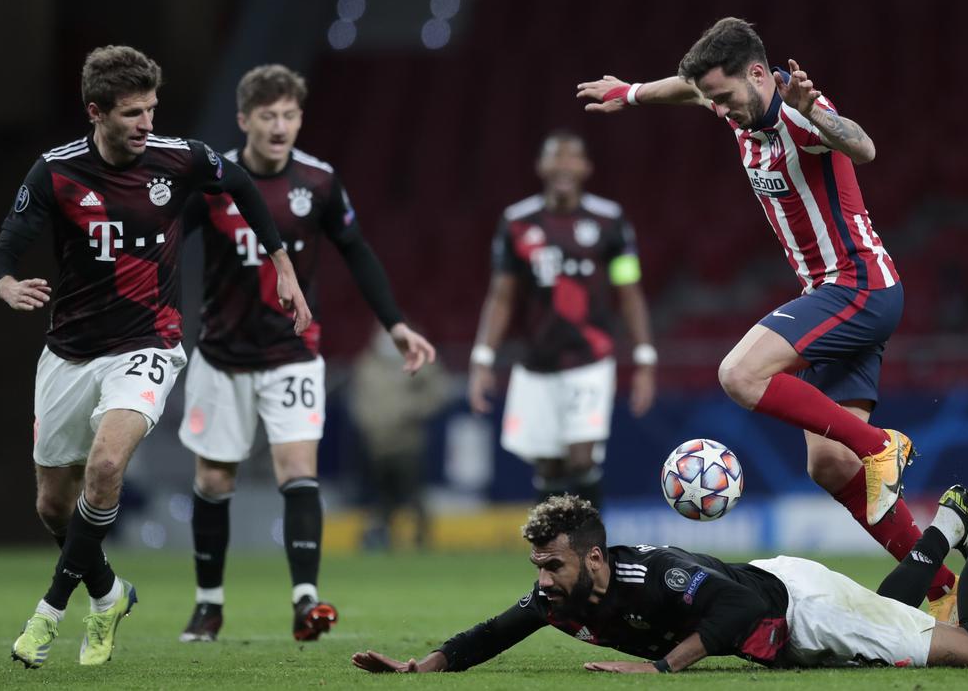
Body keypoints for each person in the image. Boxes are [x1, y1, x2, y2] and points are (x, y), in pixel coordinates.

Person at [576, 17, 961, 618]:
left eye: (727, 96)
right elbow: (687, 88)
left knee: (739, 374)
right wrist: (630, 94)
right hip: (835, 292)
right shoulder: (737, 103)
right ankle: (939, 585)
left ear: (759, 75)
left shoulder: (799, 113)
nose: (722, 110)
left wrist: (822, 117)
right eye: (715, 99)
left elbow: (862, 147)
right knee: (829, 465)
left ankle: (882, 445)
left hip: (857, 284)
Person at [0, 46, 310, 668]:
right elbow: (2, 253)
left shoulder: (179, 159)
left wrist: (283, 268)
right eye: (133, 113)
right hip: (70, 353)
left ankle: (49, 612)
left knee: (106, 465)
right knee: (53, 503)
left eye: (152, 109)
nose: (146, 123)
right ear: (96, 112)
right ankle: (108, 593)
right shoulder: (54, 173)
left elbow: (240, 182)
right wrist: (4, 285)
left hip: (148, 343)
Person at [352, 452, 968, 674]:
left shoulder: (659, 574)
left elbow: (742, 613)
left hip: (794, 606)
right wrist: (424, 668)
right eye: (539, 567)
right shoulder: (560, 599)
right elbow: (495, 631)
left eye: (552, 567)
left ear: (595, 560)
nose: (541, 582)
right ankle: (950, 521)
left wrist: (662, 668)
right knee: (882, 618)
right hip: (789, 598)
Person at [176, 64, 435, 643]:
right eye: (267, 116)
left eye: (289, 115)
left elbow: (356, 251)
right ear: (244, 119)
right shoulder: (212, 180)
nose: (279, 126)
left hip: (293, 353)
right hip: (221, 356)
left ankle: (305, 602)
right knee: (215, 479)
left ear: (300, 118)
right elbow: (166, 244)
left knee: (299, 470)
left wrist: (394, 325)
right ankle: (209, 605)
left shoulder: (318, 182)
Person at [468, 130, 656, 509]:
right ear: (541, 166)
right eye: (556, 157)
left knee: (582, 459)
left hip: (590, 357)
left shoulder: (609, 221)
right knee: (549, 466)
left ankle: (593, 558)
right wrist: (482, 359)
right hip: (536, 360)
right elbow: (501, 296)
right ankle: (551, 561)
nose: (564, 165)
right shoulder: (517, 222)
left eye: (573, 157)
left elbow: (628, 290)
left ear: (586, 167)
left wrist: (645, 360)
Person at [349, 324, 452, 549]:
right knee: (381, 499)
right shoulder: (367, 366)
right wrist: (370, 424)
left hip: (408, 444)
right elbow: (359, 403)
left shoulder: (414, 359)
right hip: (377, 446)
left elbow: (439, 389)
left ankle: (422, 541)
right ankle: (379, 540)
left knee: (414, 496)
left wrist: (414, 409)